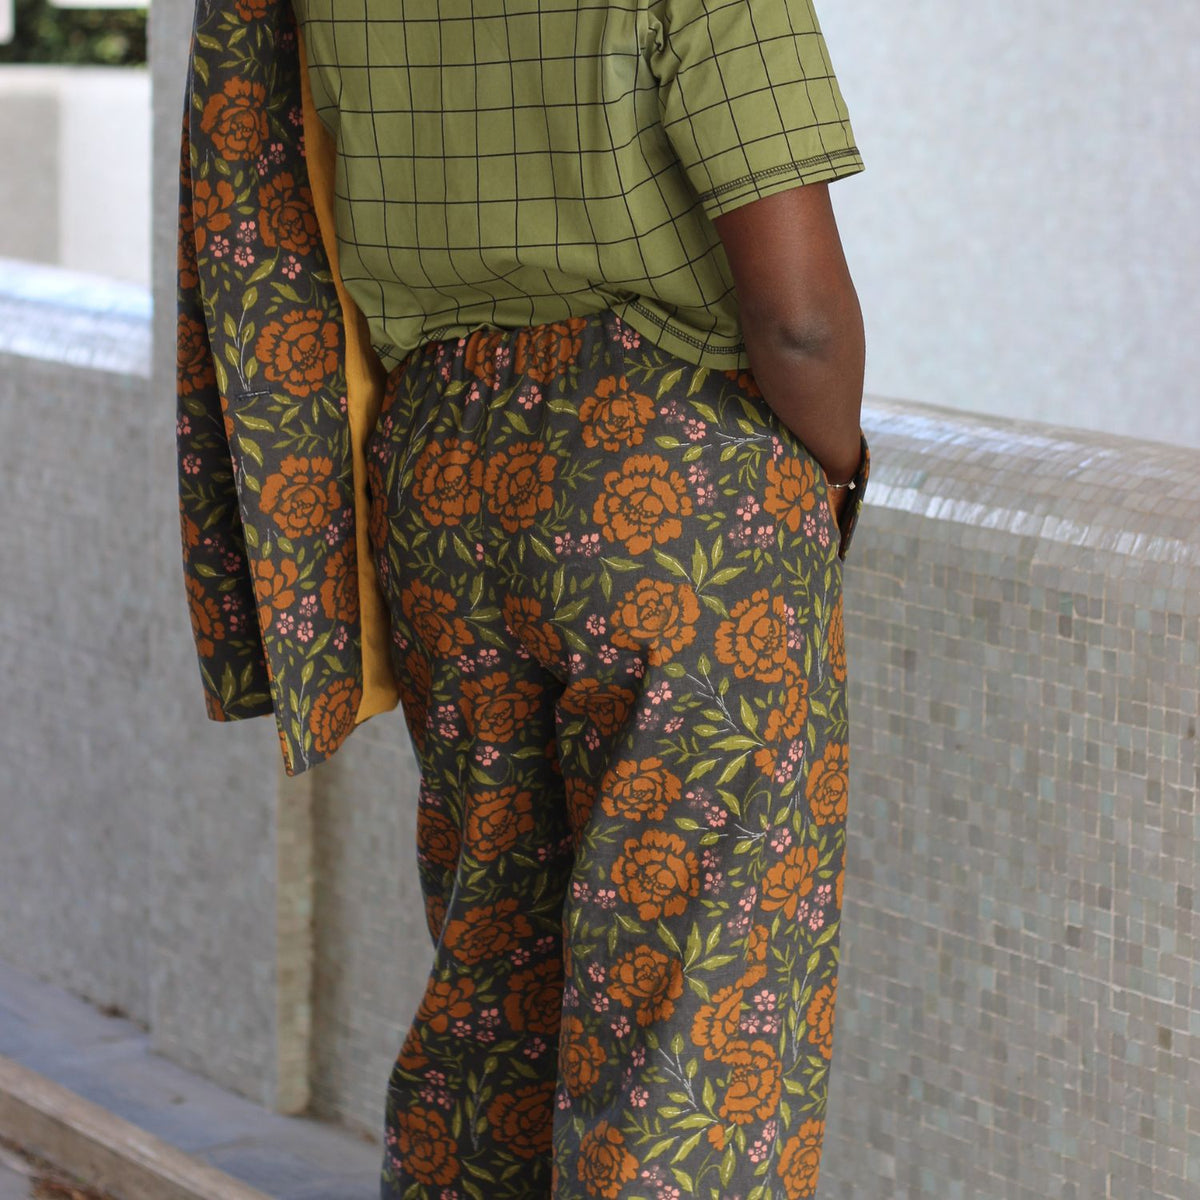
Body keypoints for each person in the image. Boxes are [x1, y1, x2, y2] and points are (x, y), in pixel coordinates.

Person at [176, 0, 870, 1196]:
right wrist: (838, 472)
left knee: (491, 980)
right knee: (693, 1003)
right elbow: (799, 320)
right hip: (674, 481)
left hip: (441, 468)